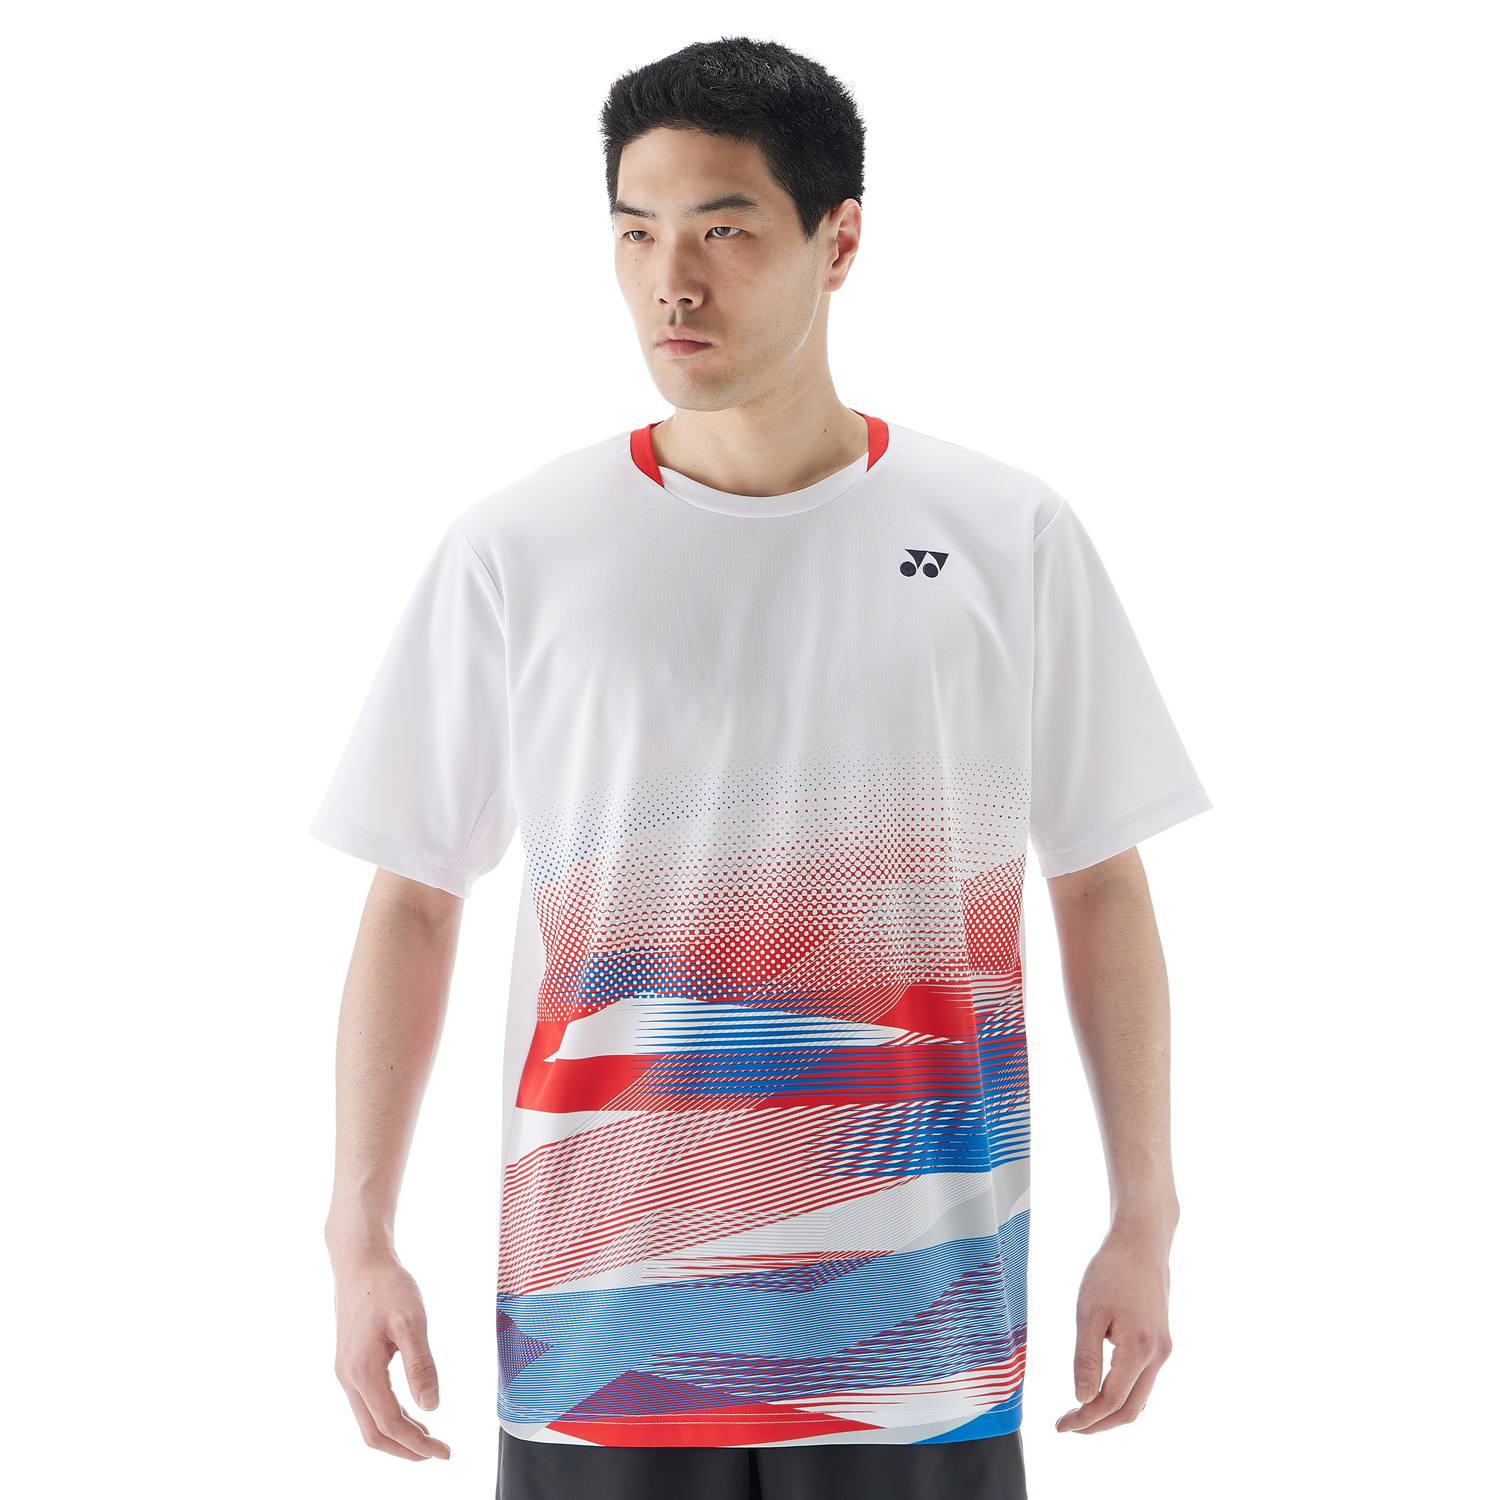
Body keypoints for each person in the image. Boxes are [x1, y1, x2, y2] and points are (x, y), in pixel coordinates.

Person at [310, 35, 1211, 1500]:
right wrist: (359, 1239)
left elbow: (1100, 882)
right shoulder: (519, 549)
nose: (671, 281)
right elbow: (415, 897)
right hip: (601, 1337)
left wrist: (1147, 1221)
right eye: (636, 232)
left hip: (918, 1344)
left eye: (723, 231)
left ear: (838, 241)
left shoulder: (1005, 536)